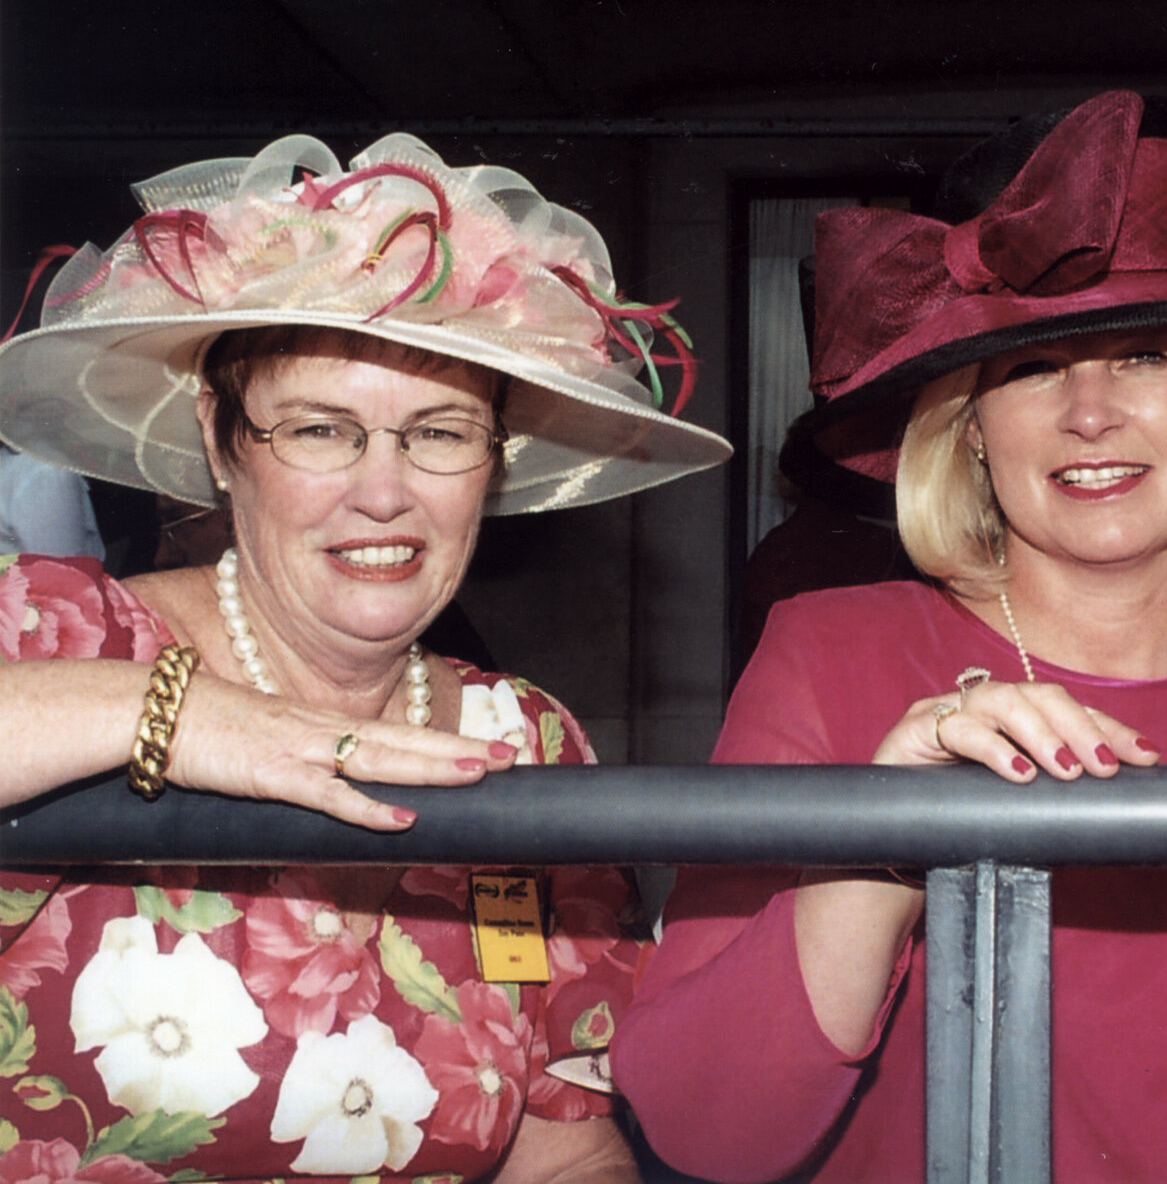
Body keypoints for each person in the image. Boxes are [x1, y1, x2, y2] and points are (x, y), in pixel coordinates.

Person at [612, 91, 1167, 1184]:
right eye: (1029, 368)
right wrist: (888, 834)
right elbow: (707, 1128)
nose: (1087, 413)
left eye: (1146, 356)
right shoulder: (823, 653)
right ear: (969, 426)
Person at [0, 134, 731, 1182]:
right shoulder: (58, 634)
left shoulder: (524, 737)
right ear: (221, 438)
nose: (384, 494)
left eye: (437, 432)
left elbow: (560, 1149)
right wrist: (186, 715)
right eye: (321, 429)